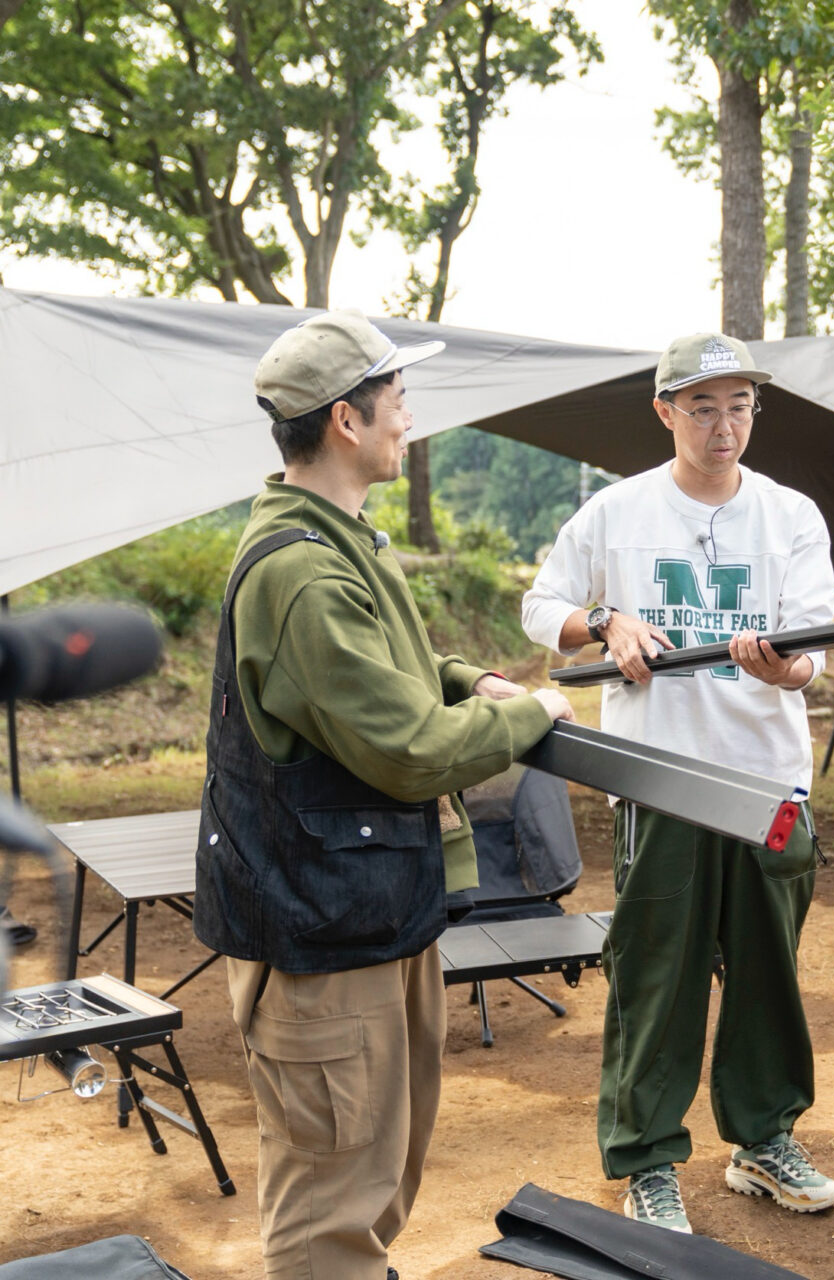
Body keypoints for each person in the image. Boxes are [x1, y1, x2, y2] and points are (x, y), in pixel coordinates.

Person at [197, 309, 574, 1280]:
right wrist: (526, 713)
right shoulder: (302, 572)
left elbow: (387, 662)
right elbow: (407, 751)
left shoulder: (338, 541)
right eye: (397, 397)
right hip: (326, 936)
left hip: (366, 912)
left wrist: (462, 677)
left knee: (374, 1177)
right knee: (332, 1205)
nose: (411, 415)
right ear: (346, 422)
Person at [521, 332, 834, 1234]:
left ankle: (763, 1139)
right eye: (703, 406)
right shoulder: (617, 513)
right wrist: (606, 621)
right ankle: (647, 1160)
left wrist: (786, 670)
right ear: (665, 412)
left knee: (767, 971)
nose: (724, 425)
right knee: (656, 973)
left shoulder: (791, 516)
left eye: (739, 405)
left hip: (768, 777)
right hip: (659, 781)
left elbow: (814, 646)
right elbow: (540, 606)